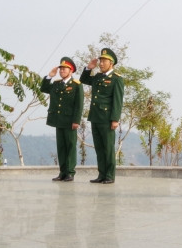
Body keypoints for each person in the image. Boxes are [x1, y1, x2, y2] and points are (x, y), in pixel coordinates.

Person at [80, 48, 124, 184]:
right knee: (99, 148)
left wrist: (115, 119)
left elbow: (117, 100)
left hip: (107, 118)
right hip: (95, 117)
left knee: (108, 148)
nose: (101, 63)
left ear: (111, 63)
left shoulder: (117, 79)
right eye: (100, 61)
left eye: (104, 61)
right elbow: (84, 79)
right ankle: (102, 174)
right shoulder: (98, 77)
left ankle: (109, 175)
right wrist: (88, 68)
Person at [41, 57, 84, 182]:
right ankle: (62, 172)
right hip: (58, 120)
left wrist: (76, 121)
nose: (62, 71)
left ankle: (70, 172)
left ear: (71, 70)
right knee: (61, 147)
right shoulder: (56, 84)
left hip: (70, 121)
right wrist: (49, 76)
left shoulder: (76, 85)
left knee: (70, 146)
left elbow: (79, 104)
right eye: (61, 69)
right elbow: (44, 88)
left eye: (64, 69)